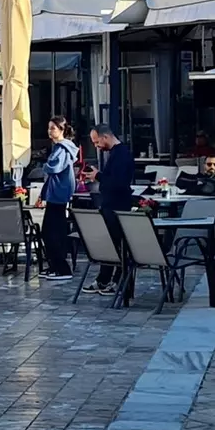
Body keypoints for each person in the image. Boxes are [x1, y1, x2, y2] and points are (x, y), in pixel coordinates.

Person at [88, 123, 136, 299]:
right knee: (109, 244)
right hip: (110, 205)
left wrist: (98, 176)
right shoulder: (116, 154)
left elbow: (118, 183)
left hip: (117, 207)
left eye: (96, 142)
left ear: (105, 136)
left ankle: (117, 280)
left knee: (117, 246)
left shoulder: (121, 155)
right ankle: (105, 278)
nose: (96, 146)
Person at [39, 118, 80, 279]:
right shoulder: (60, 147)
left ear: (62, 129)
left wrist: (45, 166)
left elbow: (54, 167)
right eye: (49, 128)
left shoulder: (62, 148)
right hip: (57, 194)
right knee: (50, 231)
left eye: (53, 128)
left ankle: (62, 268)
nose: (50, 131)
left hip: (58, 195)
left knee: (51, 232)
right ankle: (55, 265)